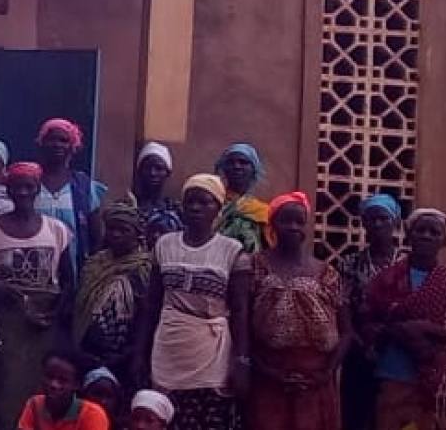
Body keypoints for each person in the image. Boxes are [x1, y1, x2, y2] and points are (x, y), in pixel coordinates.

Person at [0, 161, 74, 424]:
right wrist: (0, 291)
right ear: (7, 190)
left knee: (40, 384)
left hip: (43, 325)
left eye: (29, 187)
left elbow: (68, 280)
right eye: (16, 187)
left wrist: (53, 315)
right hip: (4, 321)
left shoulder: (56, 229)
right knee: (4, 384)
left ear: (38, 190)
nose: (23, 193)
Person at [138, 173, 250, 430]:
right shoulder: (164, 245)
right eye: (190, 202)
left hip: (211, 351)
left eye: (205, 202)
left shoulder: (232, 251)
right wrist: (139, 353)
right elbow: (151, 303)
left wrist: (242, 360)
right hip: (169, 347)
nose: (196, 208)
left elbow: (241, 310)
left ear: (218, 209)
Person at [360, 208, 446, 430]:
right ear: (408, 235)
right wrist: (400, 332)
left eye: (434, 232)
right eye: (420, 230)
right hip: (394, 377)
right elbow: (367, 322)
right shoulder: (385, 280)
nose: (426, 235)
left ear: (444, 241)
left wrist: (433, 333)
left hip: (438, 387)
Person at [247, 192, 347, 430]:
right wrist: (267, 371)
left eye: (299, 221)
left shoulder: (327, 273)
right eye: (285, 221)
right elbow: (240, 324)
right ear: (273, 225)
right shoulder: (255, 265)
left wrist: (327, 372)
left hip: (317, 378)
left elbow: (347, 331)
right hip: (269, 375)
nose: (293, 227)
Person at [336, 192, 404, 430]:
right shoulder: (350, 263)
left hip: (398, 351)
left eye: (383, 219)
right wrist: (354, 337)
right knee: (356, 416)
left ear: (395, 222)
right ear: (363, 224)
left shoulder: (406, 263)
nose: (377, 225)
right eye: (371, 219)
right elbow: (342, 302)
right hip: (359, 350)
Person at [74, 200, 153, 390]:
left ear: (137, 233)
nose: (115, 235)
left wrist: (133, 353)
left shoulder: (145, 268)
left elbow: (147, 315)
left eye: (123, 230)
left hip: (124, 355)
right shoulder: (94, 264)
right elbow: (79, 305)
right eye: (111, 229)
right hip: (88, 351)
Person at [34, 118, 105, 274]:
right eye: (51, 139)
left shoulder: (84, 187)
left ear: (73, 146)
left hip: (75, 272)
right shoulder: (29, 183)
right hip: (34, 273)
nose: (57, 144)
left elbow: (96, 237)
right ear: (41, 143)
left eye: (64, 140)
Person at [17, 350, 111, 430]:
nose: (53, 385)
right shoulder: (34, 405)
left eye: (62, 380)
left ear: (76, 385)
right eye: (49, 377)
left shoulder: (92, 414)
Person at [215, 144, 269, 252]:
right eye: (231, 162)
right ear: (224, 168)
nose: (237, 166)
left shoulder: (262, 211)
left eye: (243, 162)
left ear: (253, 169)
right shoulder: (212, 202)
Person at [129, 142, 182, 247]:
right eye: (147, 168)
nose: (152, 173)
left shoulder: (176, 210)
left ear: (167, 173)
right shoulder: (128, 207)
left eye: (159, 169)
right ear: (139, 171)